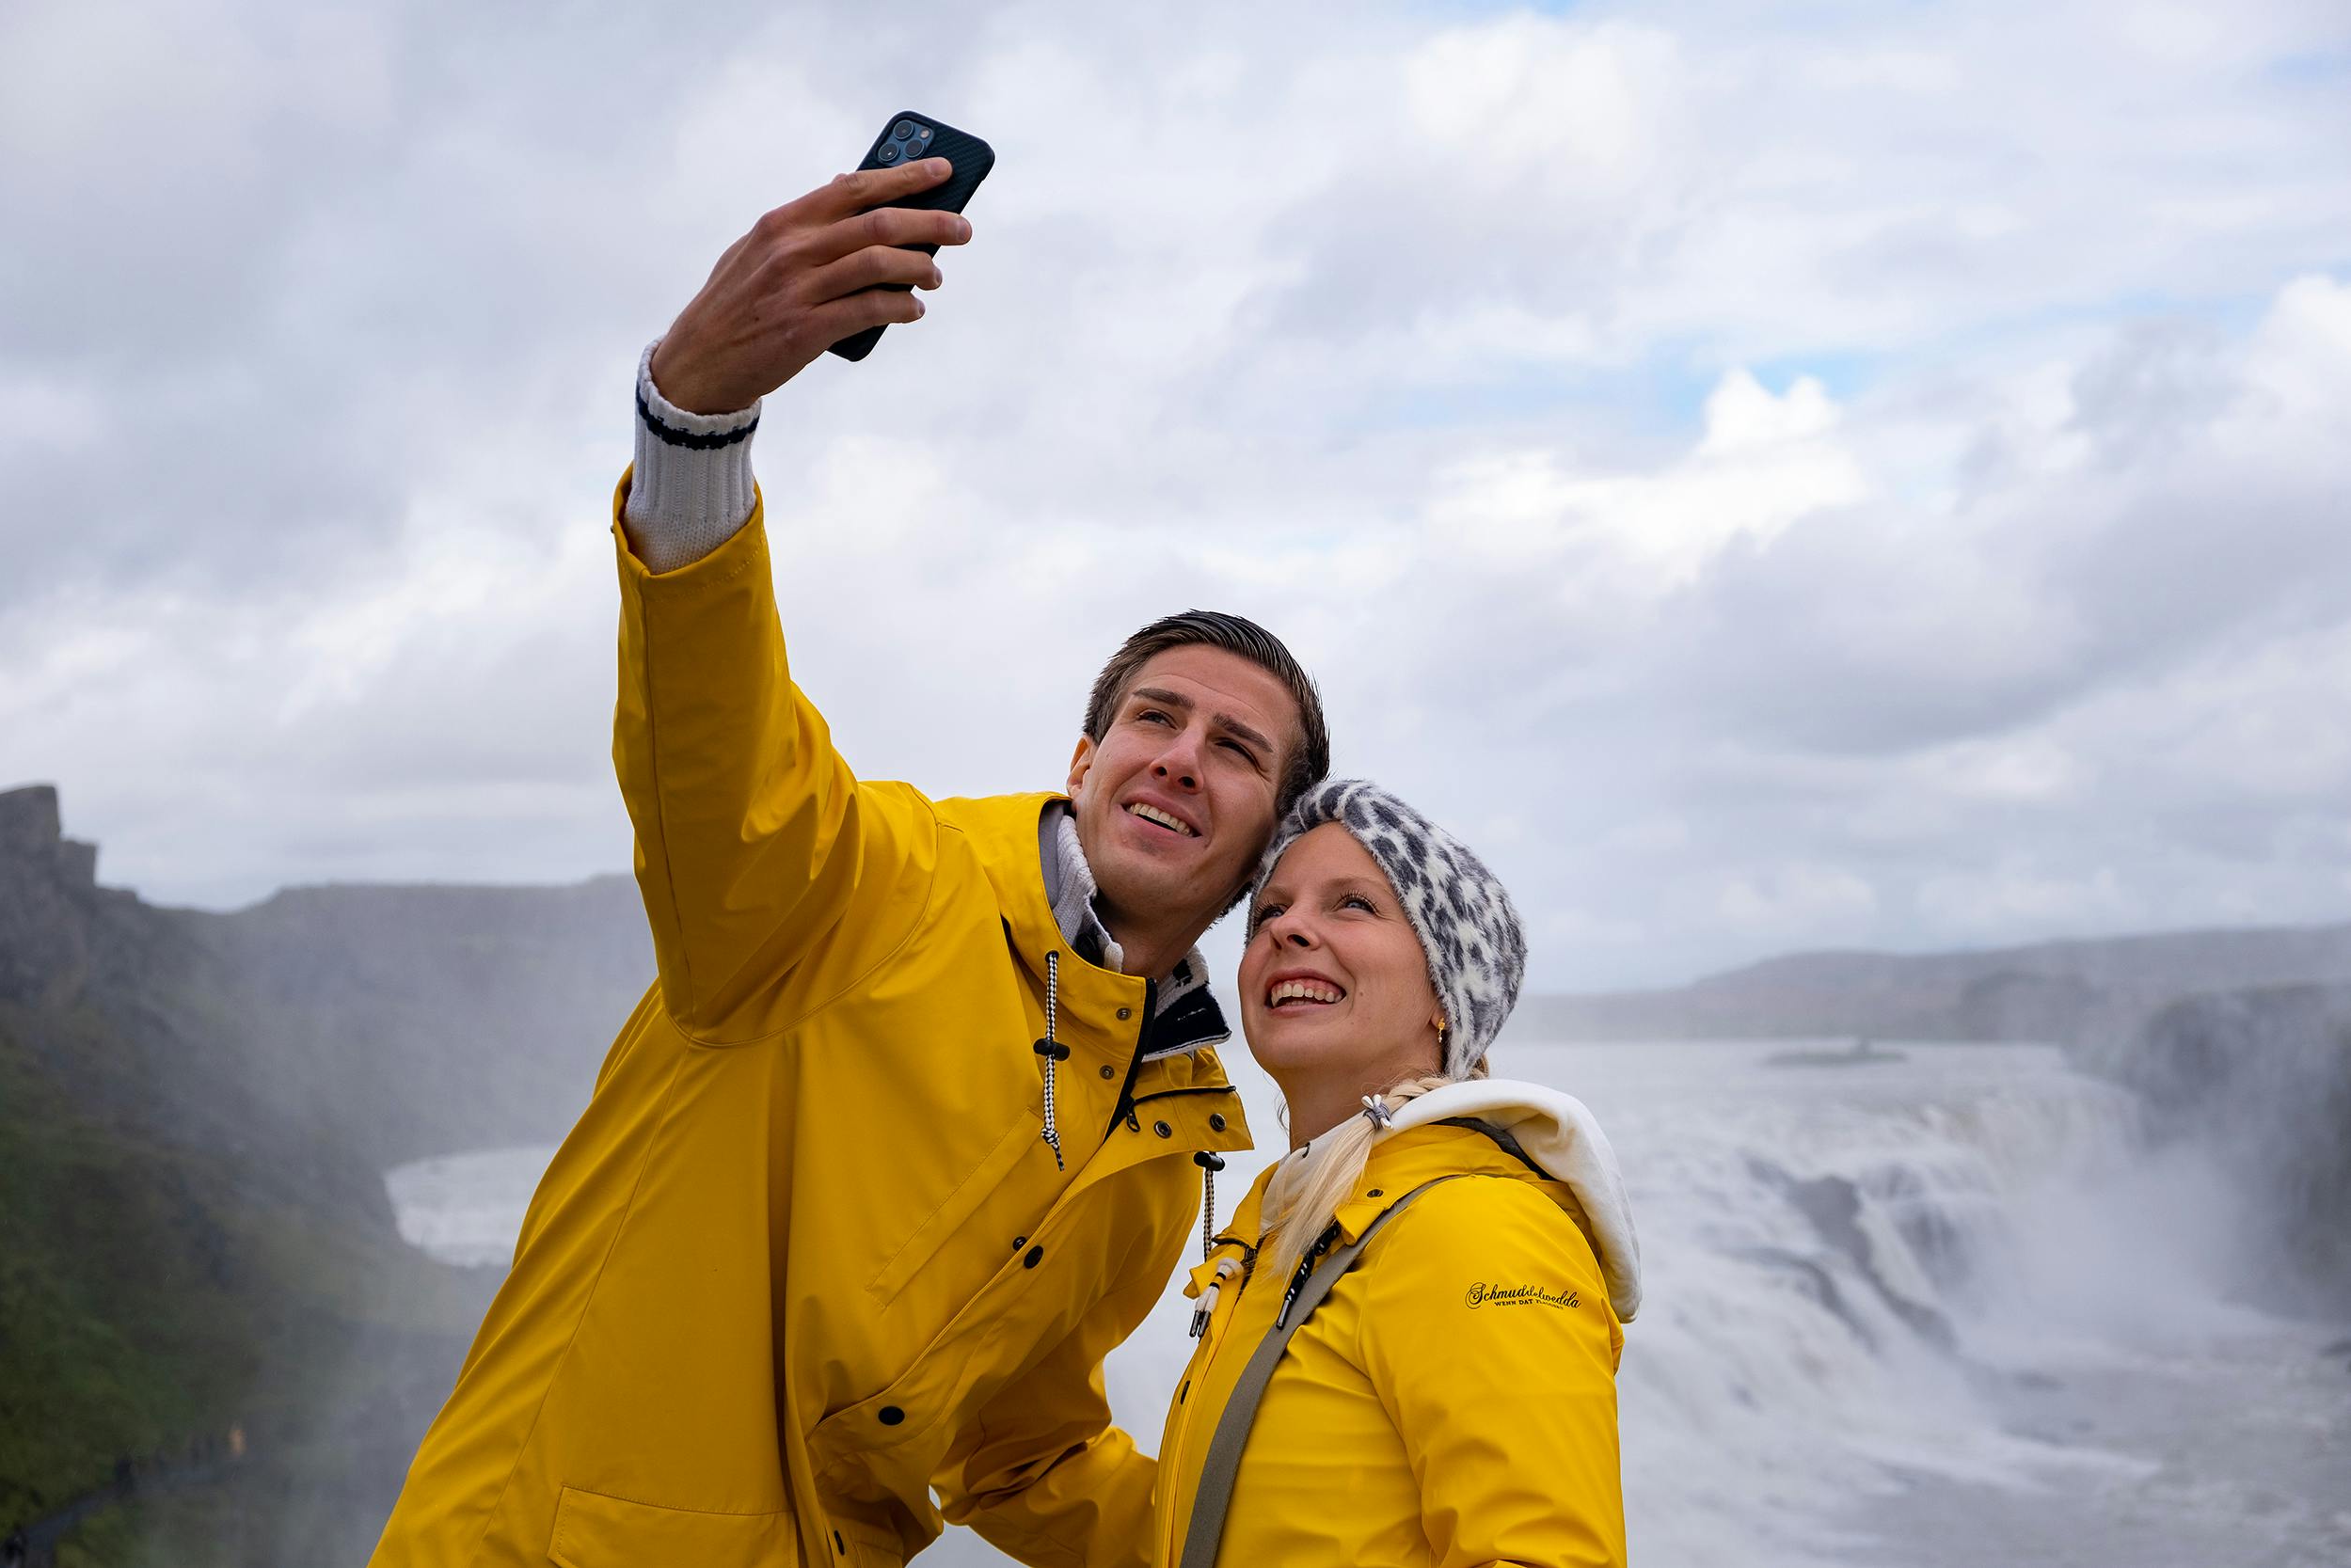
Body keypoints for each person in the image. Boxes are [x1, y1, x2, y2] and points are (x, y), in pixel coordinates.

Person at [369, 156, 1330, 1568]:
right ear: (1083, 761)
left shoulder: (1167, 1137)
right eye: (1153, 717)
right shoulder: (868, 886)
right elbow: (720, 755)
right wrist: (691, 425)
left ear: (1264, 842)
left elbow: (1025, 1446)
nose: (1184, 755)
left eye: (1238, 751)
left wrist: (1269, 1543)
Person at [1154, 780, 1642, 1568]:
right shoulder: (1293, 1230)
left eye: (1352, 903)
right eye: (1271, 911)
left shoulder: (1473, 1227)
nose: (1290, 929)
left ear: (1445, 995)